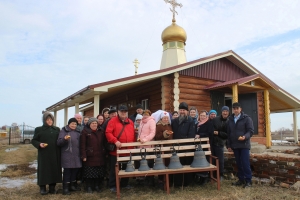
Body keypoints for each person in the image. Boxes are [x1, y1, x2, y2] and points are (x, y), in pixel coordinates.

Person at [106, 105, 135, 192]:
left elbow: (133, 134)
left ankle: (124, 184)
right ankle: (113, 185)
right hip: (116, 150)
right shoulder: (112, 121)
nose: (123, 113)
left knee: (127, 167)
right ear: (118, 112)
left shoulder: (130, 122)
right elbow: (108, 133)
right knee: (115, 168)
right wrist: (115, 141)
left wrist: (133, 146)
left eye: (125, 111)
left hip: (128, 150)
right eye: (122, 111)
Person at [31, 112, 62, 195]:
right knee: (44, 170)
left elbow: (60, 140)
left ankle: (52, 188)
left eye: (51, 120)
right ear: (44, 120)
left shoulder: (57, 129)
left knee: (54, 169)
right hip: (44, 154)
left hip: (55, 153)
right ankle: (43, 188)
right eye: (47, 120)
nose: (49, 121)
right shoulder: (39, 129)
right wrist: (39, 144)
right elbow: (34, 140)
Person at [227, 102, 254, 188]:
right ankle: (241, 179)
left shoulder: (247, 118)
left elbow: (250, 131)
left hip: (244, 144)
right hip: (235, 145)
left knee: (245, 163)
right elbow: (228, 133)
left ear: (240, 109)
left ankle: (248, 181)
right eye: (234, 108)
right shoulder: (230, 119)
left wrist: (245, 137)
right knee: (239, 163)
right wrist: (229, 145)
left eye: (237, 108)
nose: (235, 110)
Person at [171, 102, 196, 186]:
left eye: (184, 110)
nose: (182, 112)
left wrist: (186, 144)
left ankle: (187, 182)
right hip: (176, 146)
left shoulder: (190, 121)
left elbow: (191, 134)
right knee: (177, 163)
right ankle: (178, 182)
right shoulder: (174, 121)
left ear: (187, 111)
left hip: (187, 147)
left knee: (187, 163)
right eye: (181, 110)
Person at [80, 117, 106, 193]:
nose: (94, 124)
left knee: (98, 173)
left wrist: (105, 152)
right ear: (89, 124)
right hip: (90, 156)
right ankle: (89, 187)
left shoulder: (101, 131)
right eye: (92, 123)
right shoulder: (85, 132)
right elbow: (82, 145)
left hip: (100, 155)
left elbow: (104, 142)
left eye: (95, 123)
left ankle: (97, 186)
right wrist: (83, 155)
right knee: (89, 173)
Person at [57, 118, 82, 195]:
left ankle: (72, 186)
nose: (74, 125)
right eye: (72, 124)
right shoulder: (63, 131)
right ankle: (65, 188)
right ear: (68, 124)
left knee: (75, 171)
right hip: (67, 155)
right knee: (67, 172)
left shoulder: (78, 132)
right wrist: (64, 139)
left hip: (76, 154)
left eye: (75, 124)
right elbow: (59, 143)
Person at [152, 110, 173, 188]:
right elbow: (157, 136)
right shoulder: (159, 126)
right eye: (164, 118)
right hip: (162, 147)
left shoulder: (169, 125)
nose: (166, 119)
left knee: (168, 162)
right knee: (162, 163)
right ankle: (161, 180)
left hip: (169, 147)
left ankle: (168, 180)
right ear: (161, 118)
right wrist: (165, 134)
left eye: (167, 118)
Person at [211, 106, 229, 180]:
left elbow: (227, 135)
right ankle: (212, 175)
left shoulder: (229, 121)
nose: (225, 113)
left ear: (228, 112)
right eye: (223, 111)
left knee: (220, 160)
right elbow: (211, 129)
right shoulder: (215, 119)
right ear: (221, 112)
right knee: (212, 159)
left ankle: (220, 174)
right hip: (213, 142)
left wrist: (218, 133)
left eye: (226, 111)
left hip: (220, 143)